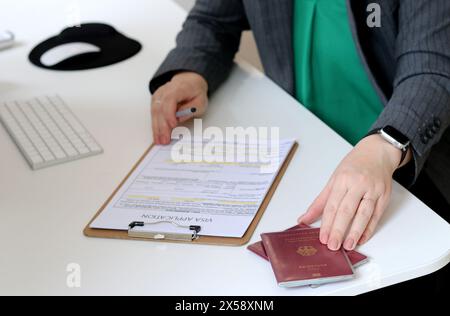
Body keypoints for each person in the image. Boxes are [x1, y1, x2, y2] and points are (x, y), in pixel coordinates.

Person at [149, 0, 449, 264]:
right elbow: (213, 20)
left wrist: (386, 143)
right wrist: (190, 71)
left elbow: (431, 68)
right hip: (298, 153)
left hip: (401, 165)